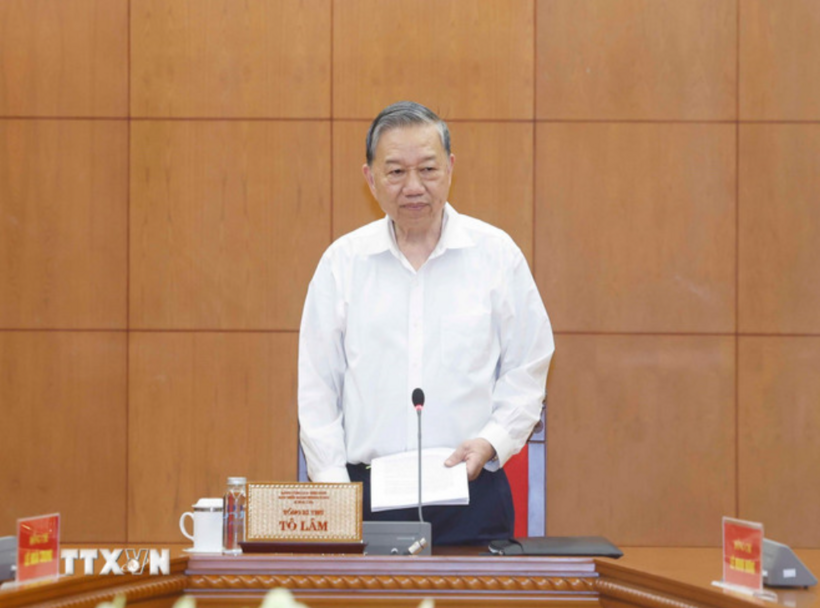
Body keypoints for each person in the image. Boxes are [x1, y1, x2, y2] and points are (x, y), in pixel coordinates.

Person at [298, 101, 554, 544]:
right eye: (395, 172)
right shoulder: (342, 263)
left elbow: (528, 367)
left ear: (451, 169)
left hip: (471, 491)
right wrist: (334, 492)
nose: (413, 187)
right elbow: (318, 390)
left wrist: (492, 441)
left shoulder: (496, 255)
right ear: (370, 178)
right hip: (365, 499)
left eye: (428, 170)